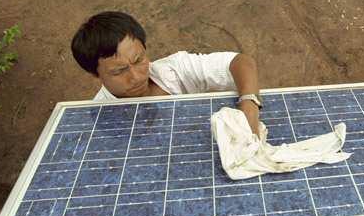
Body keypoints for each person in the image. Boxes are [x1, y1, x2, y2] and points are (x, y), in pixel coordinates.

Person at [70, 11, 262, 135]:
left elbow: (240, 62)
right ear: (95, 74)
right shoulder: (99, 122)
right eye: (119, 71)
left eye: (138, 60)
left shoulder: (174, 69)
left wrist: (249, 103)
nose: (136, 77)